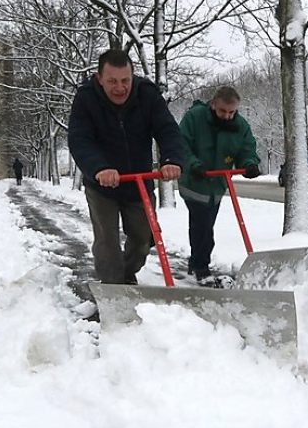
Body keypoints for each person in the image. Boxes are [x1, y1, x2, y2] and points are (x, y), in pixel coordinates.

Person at [68, 50, 183, 285]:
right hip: (102, 184)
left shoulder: (147, 95)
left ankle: (127, 274)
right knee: (107, 243)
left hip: (137, 182)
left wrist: (171, 159)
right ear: (99, 78)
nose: (120, 88)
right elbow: (80, 139)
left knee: (142, 239)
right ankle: (113, 290)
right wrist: (99, 168)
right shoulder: (86, 98)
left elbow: (167, 129)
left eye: (125, 80)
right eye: (112, 81)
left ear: (132, 77)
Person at [177, 86, 261, 284]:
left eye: (232, 112)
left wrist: (249, 164)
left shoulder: (240, 125)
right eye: (223, 111)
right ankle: (200, 266)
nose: (227, 116)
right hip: (194, 182)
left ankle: (197, 261)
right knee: (203, 226)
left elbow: (247, 148)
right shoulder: (195, 118)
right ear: (213, 104)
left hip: (217, 185)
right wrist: (193, 165)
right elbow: (181, 145)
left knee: (205, 225)